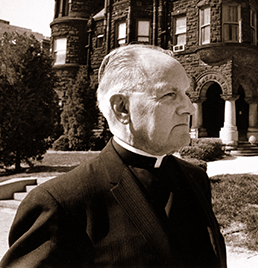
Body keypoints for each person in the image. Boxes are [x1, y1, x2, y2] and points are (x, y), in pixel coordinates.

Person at [0, 44, 227, 268]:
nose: (190, 108)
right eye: (170, 94)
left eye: (186, 93)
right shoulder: (61, 204)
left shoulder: (196, 178)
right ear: (122, 108)